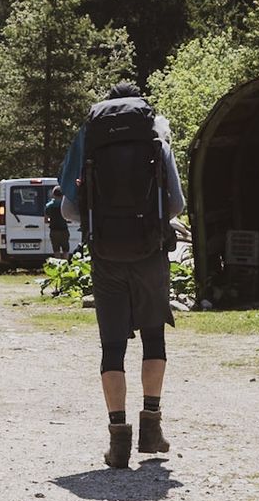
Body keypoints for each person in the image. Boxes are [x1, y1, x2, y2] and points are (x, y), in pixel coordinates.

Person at [58, 83, 186, 469]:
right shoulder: (156, 139)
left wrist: (104, 224)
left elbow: (68, 210)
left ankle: (118, 442)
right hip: (150, 255)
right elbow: (176, 203)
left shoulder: (90, 140)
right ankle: (151, 427)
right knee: (154, 337)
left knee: (112, 347)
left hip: (106, 258)